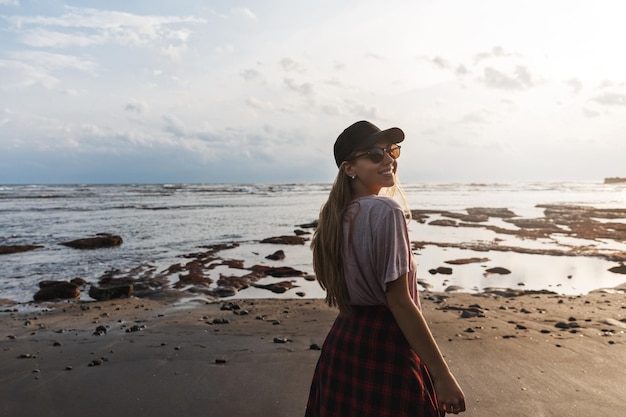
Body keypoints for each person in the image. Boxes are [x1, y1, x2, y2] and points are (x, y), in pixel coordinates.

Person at [305, 121, 466, 416]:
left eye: (391, 151)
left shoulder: (335, 216)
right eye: (375, 154)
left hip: (344, 342)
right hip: (386, 346)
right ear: (349, 168)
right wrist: (442, 375)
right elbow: (399, 302)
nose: (388, 159)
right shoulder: (386, 210)